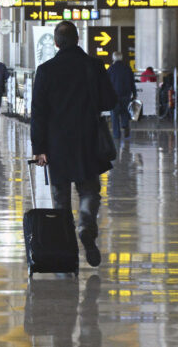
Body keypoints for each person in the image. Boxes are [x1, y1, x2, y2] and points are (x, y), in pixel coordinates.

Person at [31, 21, 115, 267]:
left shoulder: (46, 70)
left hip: (57, 145)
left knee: (60, 199)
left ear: (56, 43)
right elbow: (109, 100)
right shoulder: (94, 66)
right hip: (88, 141)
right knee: (89, 191)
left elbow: (38, 113)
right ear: (78, 40)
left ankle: (67, 248)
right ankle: (86, 227)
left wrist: (39, 149)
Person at [107, 52, 137, 141]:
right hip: (126, 95)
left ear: (113, 58)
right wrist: (134, 93)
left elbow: (106, 83)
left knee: (114, 115)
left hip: (113, 95)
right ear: (121, 58)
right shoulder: (127, 68)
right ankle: (125, 125)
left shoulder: (110, 69)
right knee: (124, 111)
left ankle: (116, 135)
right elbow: (132, 82)